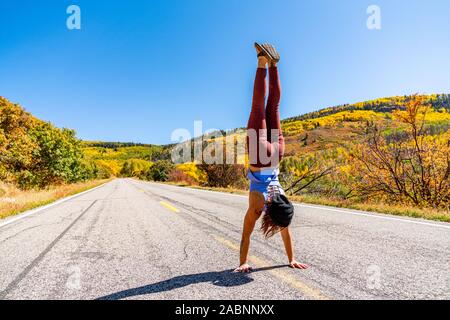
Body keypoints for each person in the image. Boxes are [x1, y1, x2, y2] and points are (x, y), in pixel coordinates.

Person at [234, 43, 309, 273]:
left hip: (277, 154)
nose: (281, 228)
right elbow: (246, 234)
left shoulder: (283, 203)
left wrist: (291, 258)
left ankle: (274, 65)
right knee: (257, 107)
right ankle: (261, 61)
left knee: (273, 107)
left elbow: (286, 230)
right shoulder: (260, 206)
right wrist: (243, 262)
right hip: (258, 156)